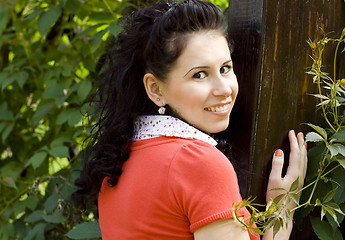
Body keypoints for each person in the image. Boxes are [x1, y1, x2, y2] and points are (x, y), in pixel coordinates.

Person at [73, 0, 308, 239]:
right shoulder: (198, 163)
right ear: (155, 89)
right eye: (199, 75)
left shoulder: (119, 158)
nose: (224, 89)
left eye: (225, 68)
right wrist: (283, 208)